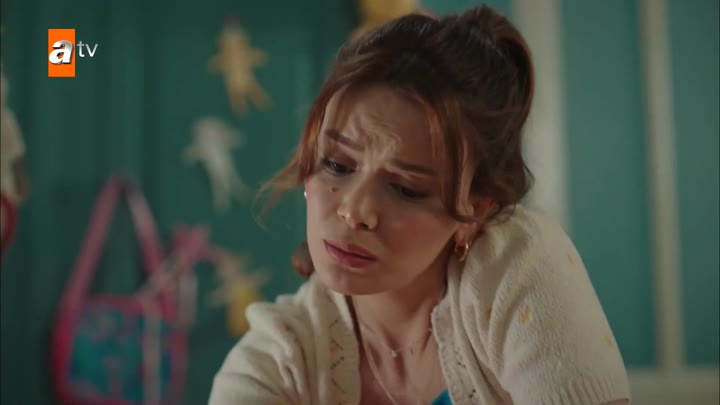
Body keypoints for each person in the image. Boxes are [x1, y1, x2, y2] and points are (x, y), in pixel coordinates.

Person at [208, 5, 631, 405]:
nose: (355, 211)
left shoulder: (518, 265)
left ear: (476, 209)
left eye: (406, 189)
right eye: (336, 165)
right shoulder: (279, 358)